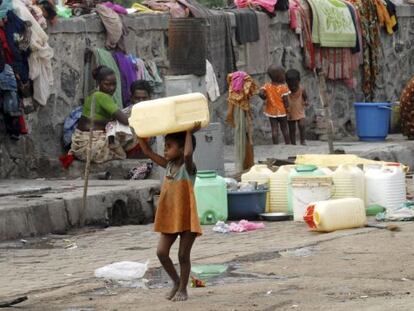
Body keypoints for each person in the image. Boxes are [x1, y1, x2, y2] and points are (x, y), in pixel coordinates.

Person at [137, 123, 202, 302]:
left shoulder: (189, 169)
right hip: (170, 217)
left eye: (169, 147)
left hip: (187, 218)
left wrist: (188, 131)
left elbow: (188, 154)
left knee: (183, 255)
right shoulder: (168, 166)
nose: (165, 150)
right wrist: (139, 133)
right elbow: (148, 153)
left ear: (181, 149)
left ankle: (183, 289)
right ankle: (176, 281)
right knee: (161, 252)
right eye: (164, 146)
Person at [69, 65, 135, 163]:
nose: (111, 88)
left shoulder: (93, 94)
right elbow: (125, 121)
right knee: (134, 129)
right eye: (107, 84)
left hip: (80, 146)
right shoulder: (102, 96)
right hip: (92, 146)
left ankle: (113, 145)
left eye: (114, 84)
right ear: (99, 83)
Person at [259, 65, 291, 144]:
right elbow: (286, 101)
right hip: (282, 112)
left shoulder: (267, 86)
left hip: (271, 112)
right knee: (285, 128)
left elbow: (261, 92)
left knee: (274, 129)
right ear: (279, 77)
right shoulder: (283, 88)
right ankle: (288, 143)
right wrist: (288, 110)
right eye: (283, 75)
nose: (284, 76)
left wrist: (263, 96)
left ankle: (275, 144)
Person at [286, 69, 308, 145]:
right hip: (290, 113)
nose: (293, 87)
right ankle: (293, 143)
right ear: (287, 82)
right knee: (292, 129)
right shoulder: (285, 90)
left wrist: (306, 101)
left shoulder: (302, 89)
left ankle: (303, 140)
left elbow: (305, 97)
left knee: (302, 125)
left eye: (295, 85)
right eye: (290, 85)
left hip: (300, 111)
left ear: (299, 81)